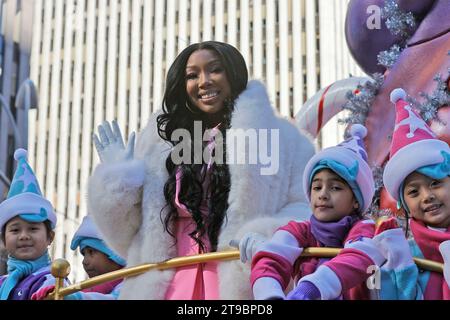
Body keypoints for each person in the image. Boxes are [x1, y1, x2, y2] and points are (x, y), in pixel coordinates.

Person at [88, 41, 315, 299]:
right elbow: (125, 235)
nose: (204, 81)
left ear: (233, 73)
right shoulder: (158, 143)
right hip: (166, 283)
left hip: (241, 277)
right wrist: (119, 179)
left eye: (215, 70)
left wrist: (266, 235)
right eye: (192, 75)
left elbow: (305, 207)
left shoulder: (283, 139)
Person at [251, 124, 386, 300]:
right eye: (317, 187)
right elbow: (271, 257)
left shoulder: (364, 229)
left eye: (335, 187)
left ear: (355, 201)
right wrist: (270, 296)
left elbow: (358, 257)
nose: (322, 194)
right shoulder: (299, 230)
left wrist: (310, 289)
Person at [374, 88, 450, 300]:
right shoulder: (403, 255)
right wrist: (400, 269)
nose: (426, 196)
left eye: (435, 183)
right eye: (414, 191)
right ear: (404, 204)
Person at [0, 149, 58, 300]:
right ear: (3, 239)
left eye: (33, 228)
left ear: (50, 237)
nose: (24, 236)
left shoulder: (52, 282)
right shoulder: (2, 283)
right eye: (15, 230)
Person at [31, 215, 126, 300]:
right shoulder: (86, 286)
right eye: (84, 254)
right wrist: (50, 293)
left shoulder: (129, 283)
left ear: (114, 253)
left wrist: (72, 296)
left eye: (91, 252)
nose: (84, 261)